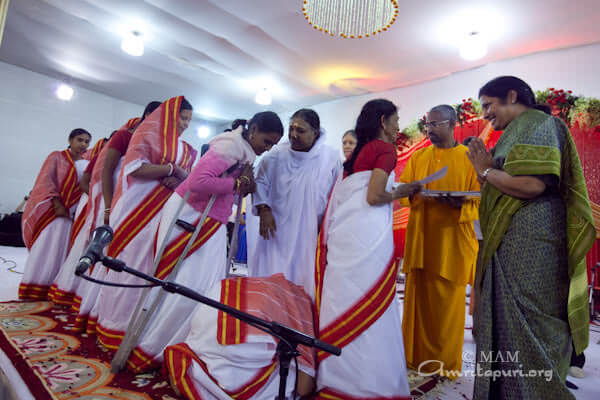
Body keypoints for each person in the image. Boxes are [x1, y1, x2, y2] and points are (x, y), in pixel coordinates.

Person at [466, 76, 595, 399]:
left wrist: (484, 170)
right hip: (510, 240)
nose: (485, 115)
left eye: (488, 105)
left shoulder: (538, 123)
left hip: (533, 242)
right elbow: (500, 184)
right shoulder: (512, 132)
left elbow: (533, 185)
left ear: (511, 95)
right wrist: (486, 172)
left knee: (532, 319)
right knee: (506, 318)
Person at [124, 112, 284, 373]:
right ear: (252, 129)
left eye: (271, 146)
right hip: (190, 214)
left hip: (209, 218)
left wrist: (243, 184)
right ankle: (151, 347)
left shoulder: (244, 149)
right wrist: (236, 184)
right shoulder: (230, 146)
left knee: (203, 284)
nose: (266, 149)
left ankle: (175, 343)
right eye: (266, 142)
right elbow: (198, 182)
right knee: (185, 284)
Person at [315, 99, 420, 398]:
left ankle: (337, 375)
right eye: (396, 120)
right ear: (384, 120)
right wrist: (404, 191)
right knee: (373, 298)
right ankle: (370, 380)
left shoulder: (358, 151)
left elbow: (354, 192)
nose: (399, 126)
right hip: (368, 234)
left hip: (345, 233)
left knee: (344, 297)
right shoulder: (385, 150)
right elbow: (374, 196)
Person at [94, 96, 198, 349]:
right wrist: (171, 169)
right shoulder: (143, 135)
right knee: (123, 264)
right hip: (134, 210)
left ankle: (130, 328)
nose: (185, 124)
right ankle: (110, 325)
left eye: (188, 120)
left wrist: (177, 178)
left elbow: (186, 180)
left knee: (144, 269)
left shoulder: (182, 147)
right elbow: (135, 169)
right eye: (182, 117)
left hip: (159, 213)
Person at [399, 105, 480, 378]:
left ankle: (444, 365)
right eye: (428, 125)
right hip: (421, 240)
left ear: (452, 124)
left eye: (436, 124)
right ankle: (413, 358)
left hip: (451, 244)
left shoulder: (469, 158)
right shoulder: (419, 157)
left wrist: (460, 204)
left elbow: (483, 201)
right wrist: (411, 192)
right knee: (417, 305)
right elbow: (402, 194)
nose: (430, 130)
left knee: (447, 310)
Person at [248, 109, 341, 299]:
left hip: (308, 236)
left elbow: (336, 196)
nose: (293, 135)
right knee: (270, 280)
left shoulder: (330, 158)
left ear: (315, 132)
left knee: (301, 284)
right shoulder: (275, 155)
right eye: (291, 128)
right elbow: (260, 182)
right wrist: (264, 209)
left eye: (300, 130)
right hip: (275, 233)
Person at [19, 128, 91, 300]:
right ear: (70, 140)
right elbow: (46, 181)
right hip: (53, 213)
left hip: (71, 215)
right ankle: (33, 287)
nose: (83, 144)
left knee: (61, 250)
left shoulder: (86, 164)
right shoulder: (56, 157)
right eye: (79, 140)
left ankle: (51, 287)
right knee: (46, 248)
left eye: (87, 141)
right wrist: (58, 204)